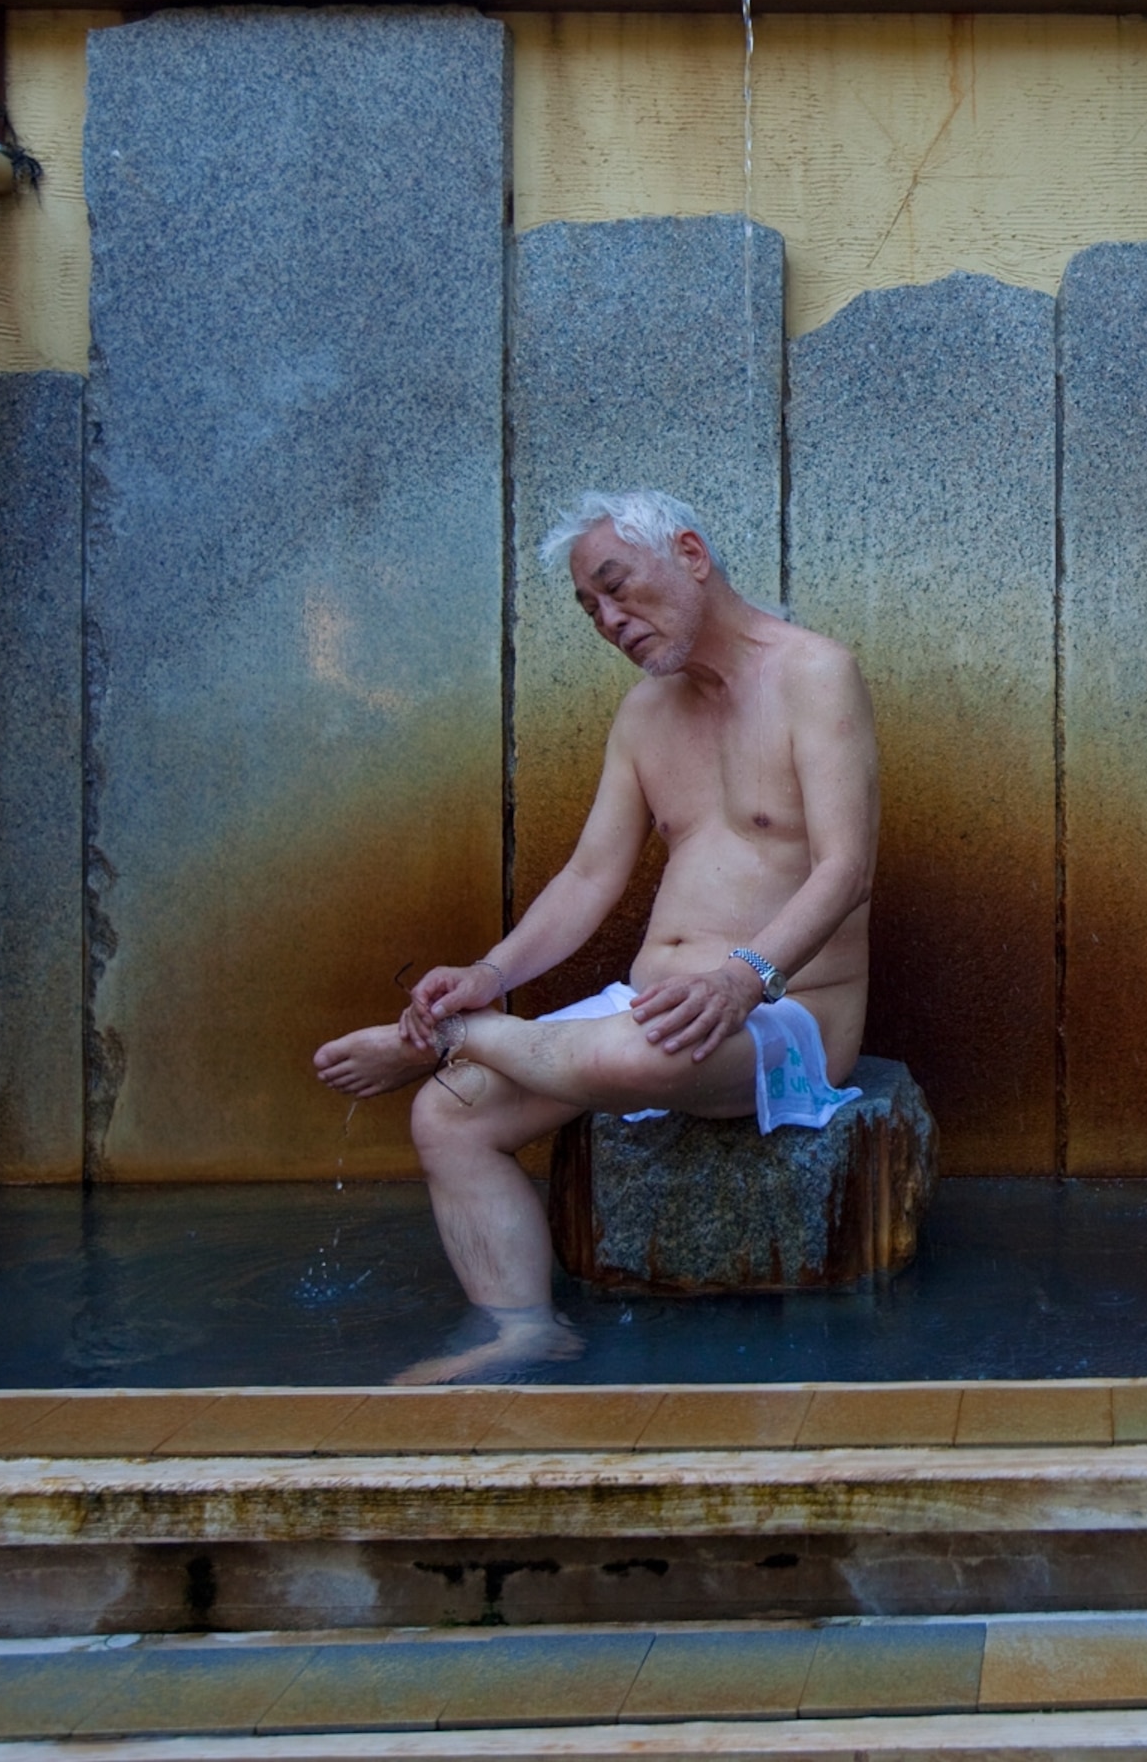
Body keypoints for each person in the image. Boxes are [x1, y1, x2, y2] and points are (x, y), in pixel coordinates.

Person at [311, 489, 876, 1382]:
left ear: (689, 553)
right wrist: (490, 973)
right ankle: (519, 1328)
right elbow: (587, 878)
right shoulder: (645, 716)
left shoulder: (815, 673)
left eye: (618, 589)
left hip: (786, 1010)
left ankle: (444, 1041)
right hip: (646, 1008)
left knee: (631, 1061)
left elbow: (846, 871)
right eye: (591, 609)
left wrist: (744, 977)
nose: (611, 622)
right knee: (447, 1117)